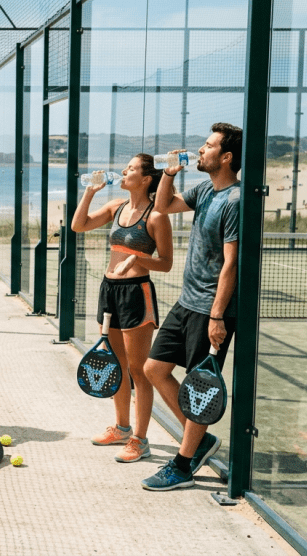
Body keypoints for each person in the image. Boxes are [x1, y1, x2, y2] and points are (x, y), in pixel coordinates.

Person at [140, 122, 243, 491]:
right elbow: (164, 205)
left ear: (226, 157)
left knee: (199, 385)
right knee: (154, 368)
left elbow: (231, 264)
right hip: (187, 303)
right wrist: (168, 173)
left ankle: (184, 464)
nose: (201, 150)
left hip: (210, 310)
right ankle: (197, 440)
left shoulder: (235, 200)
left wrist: (217, 316)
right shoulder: (205, 190)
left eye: (208, 145)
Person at [71, 154, 173, 463]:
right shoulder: (116, 207)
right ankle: (122, 428)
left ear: (145, 180)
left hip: (135, 294)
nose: (124, 171)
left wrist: (137, 259)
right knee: (116, 364)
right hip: (109, 291)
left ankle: (141, 440)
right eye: (125, 167)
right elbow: (79, 225)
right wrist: (90, 190)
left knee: (139, 370)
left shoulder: (156, 216)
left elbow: (166, 264)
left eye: (131, 168)